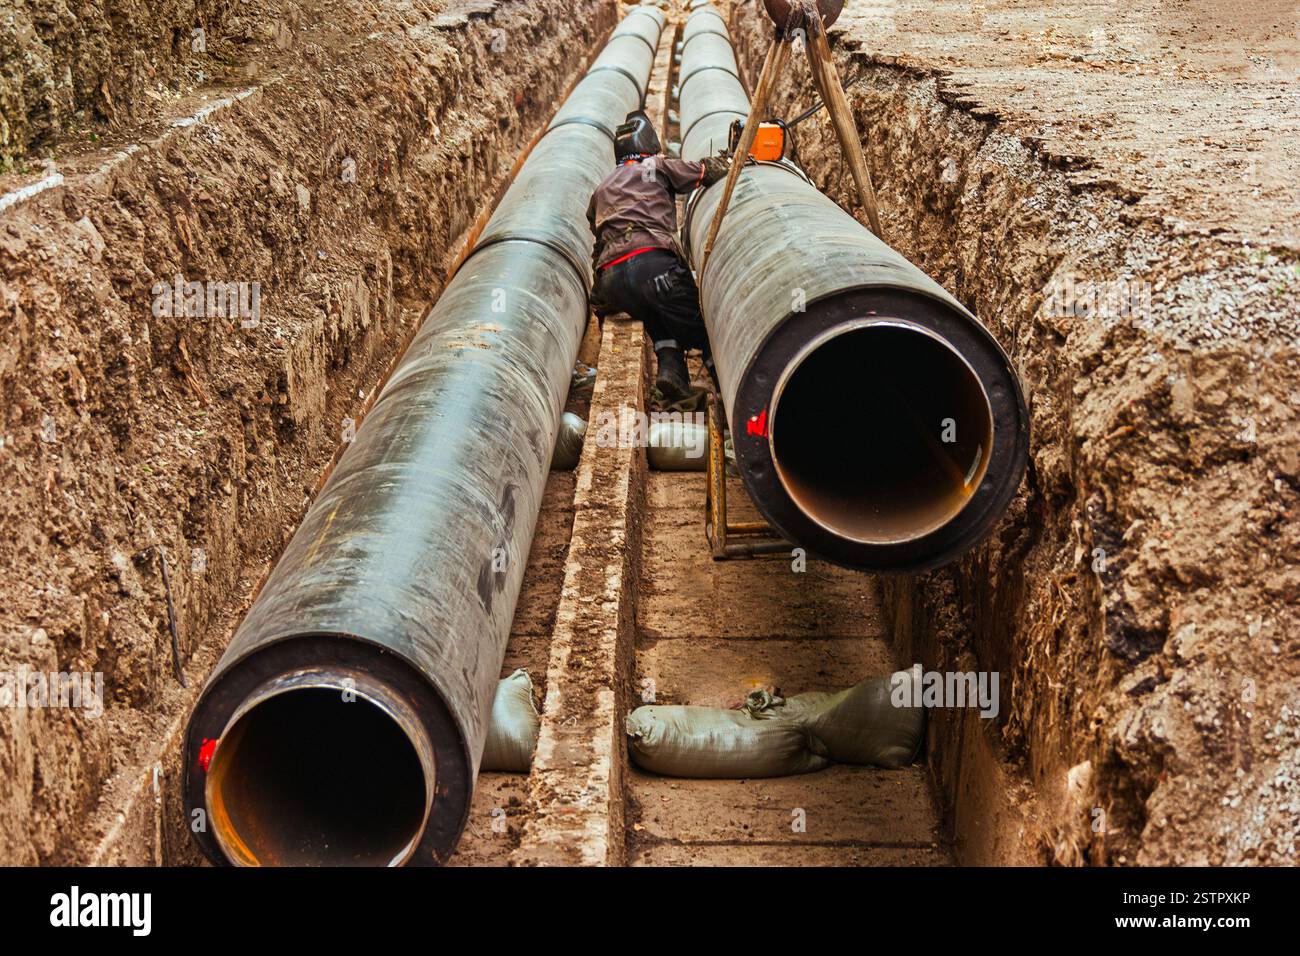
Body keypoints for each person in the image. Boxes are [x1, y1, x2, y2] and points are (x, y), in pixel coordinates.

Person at [586, 110, 729, 402]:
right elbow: (705, 172)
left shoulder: (601, 189)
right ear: (648, 143)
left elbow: (598, 242)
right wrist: (727, 162)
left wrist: (600, 299)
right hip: (653, 265)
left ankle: (671, 374)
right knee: (702, 330)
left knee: (658, 318)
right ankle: (730, 393)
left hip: (614, 280)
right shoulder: (657, 166)